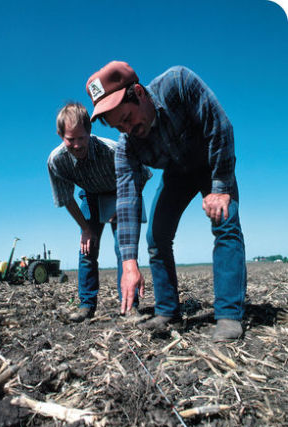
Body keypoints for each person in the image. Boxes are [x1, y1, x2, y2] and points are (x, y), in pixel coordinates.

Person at [86, 61, 247, 341]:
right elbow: (127, 201)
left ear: (138, 92)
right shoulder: (126, 147)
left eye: (127, 118)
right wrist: (128, 264)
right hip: (178, 173)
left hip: (211, 162)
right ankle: (167, 311)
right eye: (118, 127)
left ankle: (229, 315)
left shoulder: (179, 83)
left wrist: (220, 187)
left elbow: (219, 126)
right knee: (156, 236)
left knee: (225, 222)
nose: (126, 130)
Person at [47, 102, 151, 322]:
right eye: (70, 139)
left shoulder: (111, 151)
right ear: (60, 135)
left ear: (89, 132)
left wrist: (122, 207)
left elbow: (142, 175)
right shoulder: (57, 161)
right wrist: (85, 229)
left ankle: (130, 307)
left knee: (123, 250)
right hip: (90, 195)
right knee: (87, 249)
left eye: (81, 138)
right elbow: (66, 198)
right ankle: (86, 306)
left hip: (120, 192)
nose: (76, 145)